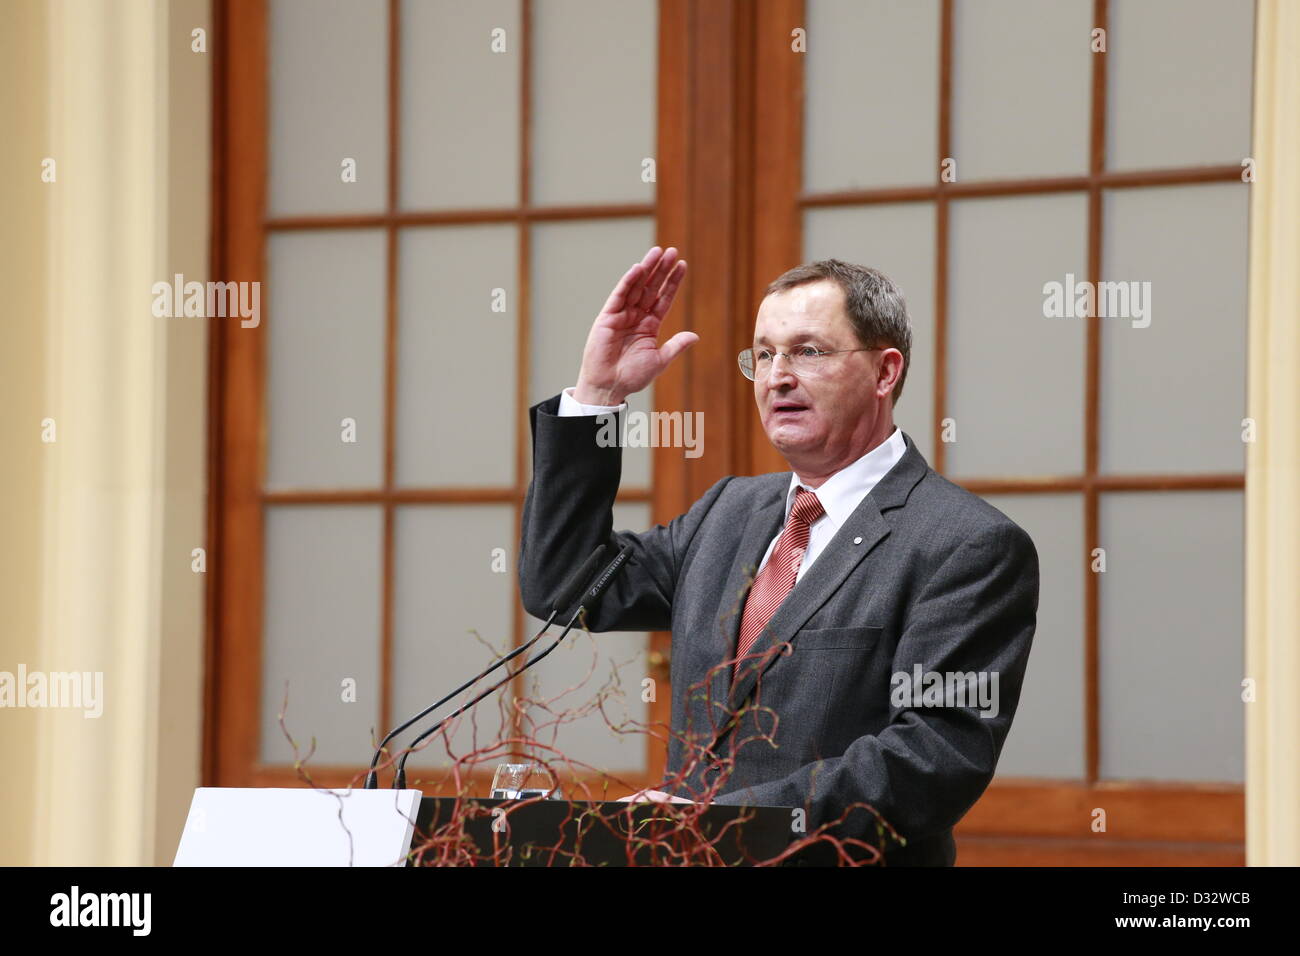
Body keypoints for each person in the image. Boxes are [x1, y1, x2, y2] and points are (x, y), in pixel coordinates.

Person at [517, 246, 1039, 865]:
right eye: (763, 354)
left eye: (808, 351)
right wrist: (598, 395)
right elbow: (566, 585)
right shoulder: (728, 512)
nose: (776, 376)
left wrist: (725, 827)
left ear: (885, 372)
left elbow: (933, 759)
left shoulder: (967, 543)